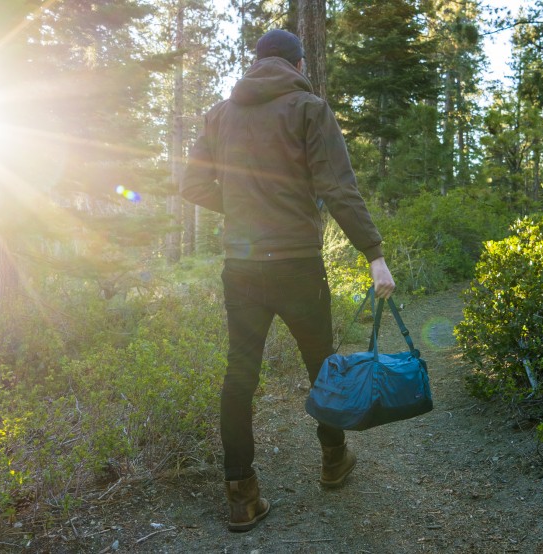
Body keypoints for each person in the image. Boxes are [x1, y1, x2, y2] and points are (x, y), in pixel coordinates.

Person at [181, 29, 396, 532]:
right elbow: (337, 187)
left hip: (241, 266)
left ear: (257, 63)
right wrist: (374, 253)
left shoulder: (219, 114)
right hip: (297, 263)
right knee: (322, 365)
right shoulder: (308, 107)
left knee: (240, 375)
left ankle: (242, 494)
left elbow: (191, 184)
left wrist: (238, 206)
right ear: (298, 63)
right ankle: (333, 461)